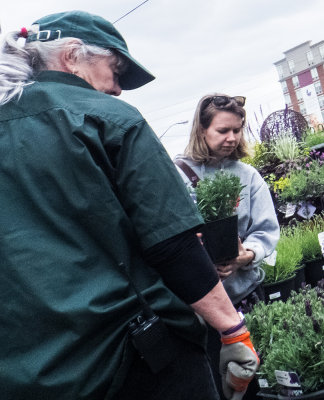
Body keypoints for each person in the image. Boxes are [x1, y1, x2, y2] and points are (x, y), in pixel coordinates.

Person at [0, 13, 259, 400]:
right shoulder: (107, 119)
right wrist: (232, 330)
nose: (119, 89)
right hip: (132, 356)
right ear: (72, 56)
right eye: (116, 70)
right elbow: (172, 245)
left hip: (27, 374)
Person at [174, 93, 280, 399]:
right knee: (218, 386)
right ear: (201, 130)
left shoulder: (248, 177)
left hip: (245, 298)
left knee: (257, 380)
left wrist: (245, 256)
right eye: (223, 130)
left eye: (237, 130)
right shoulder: (176, 174)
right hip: (202, 310)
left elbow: (265, 230)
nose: (232, 138)